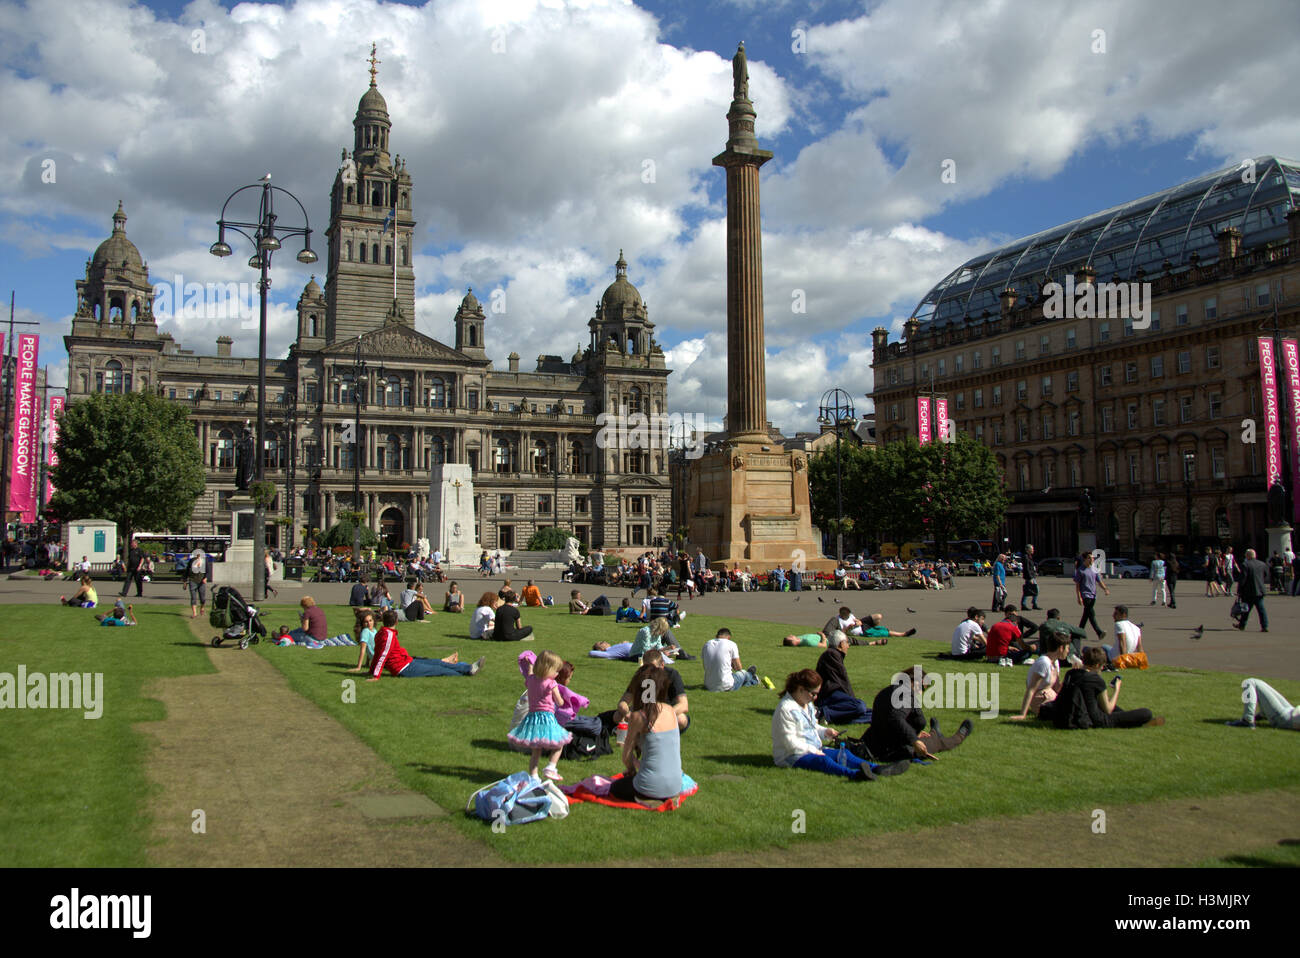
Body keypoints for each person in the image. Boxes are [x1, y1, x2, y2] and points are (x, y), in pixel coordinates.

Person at [771, 669, 908, 781]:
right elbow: (790, 743)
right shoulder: (785, 709)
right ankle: (854, 775)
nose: (815, 698)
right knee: (824, 762)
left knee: (844, 754)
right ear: (800, 689)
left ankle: (876, 768)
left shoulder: (807, 704)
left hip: (812, 748)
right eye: (813, 694)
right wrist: (815, 751)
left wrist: (825, 732)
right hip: (791, 756)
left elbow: (811, 727)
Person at [863, 667, 973, 761]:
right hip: (891, 748)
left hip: (878, 741)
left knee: (929, 738)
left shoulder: (888, 690)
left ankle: (935, 732)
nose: (920, 692)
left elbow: (890, 720)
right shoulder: (905, 694)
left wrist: (913, 733)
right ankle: (959, 737)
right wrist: (914, 740)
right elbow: (895, 718)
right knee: (937, 743)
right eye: (921, 688)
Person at [609, 669, 684, 806]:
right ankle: (663, 797)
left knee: (615, 787)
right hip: (675, 785)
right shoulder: (670, 711)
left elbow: (626, 756)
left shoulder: (638, 717)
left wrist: (631, 769)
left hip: (648, 785)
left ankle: (647, 798)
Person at [1039, 647, 1162, 728]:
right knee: (1146, 713)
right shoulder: (1095, 679)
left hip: (1073, 712)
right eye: (1102, 666)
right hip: (1096, 719)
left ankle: (1129, 718)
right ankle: (1136, 721)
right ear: (1097, 665)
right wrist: (1117, 690)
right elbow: (1108, 709)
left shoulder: (1071, 673)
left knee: (1119, 711)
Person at [507, 649, 573, 780]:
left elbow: (530, 673)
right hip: (547, 717)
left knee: (536, 751)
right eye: (556, 670)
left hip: (532, 718)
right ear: (549, 669)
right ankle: (551, 767)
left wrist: (530, 664)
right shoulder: (551, 683)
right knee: (559, 744)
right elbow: (559, 702)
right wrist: (564, 700)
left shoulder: (531, 680)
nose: (557, 673)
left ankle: (533, 776)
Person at [368, 609, 483, 681]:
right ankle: (466, 672)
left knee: (438, 663)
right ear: (396, 621)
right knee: (438, 670)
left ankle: (468, 667)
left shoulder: (382, 633)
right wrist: (375, 676)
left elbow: (377, 654)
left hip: (407, 661)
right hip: (403, 668)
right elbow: (382, 655)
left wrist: (371, 671)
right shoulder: (388, 635)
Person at [612, 648, 690, 733]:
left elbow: (683, 705)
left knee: (681, 720)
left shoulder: (672, 675)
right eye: (646, 668)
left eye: (653, 668)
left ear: (662, 665)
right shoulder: (640, 675)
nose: (649, 671)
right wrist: (627, 714)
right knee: (617, 716)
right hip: (644, 711)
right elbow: (623, 702)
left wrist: (662, 716)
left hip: (666, 711)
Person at [1009, 632, 1069, 719]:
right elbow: (1031, 689)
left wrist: (1073, 674)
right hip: (1041, 699)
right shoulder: (1044, 662)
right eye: (1067, 648)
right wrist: (1022, 714)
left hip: (1050, 697)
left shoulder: (1055, 662)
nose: (1068, 651)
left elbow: (1057, 689)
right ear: (1061, 648)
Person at [814, 633, 871, 724]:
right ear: (841, 644)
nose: (848, 646)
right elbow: (842, 679)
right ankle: (822, 712)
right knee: (859, 706)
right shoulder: (831, 654)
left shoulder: (834, 654)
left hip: (835, 696)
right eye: (847, 643)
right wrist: (852, 699)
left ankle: (830, 717)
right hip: (829, 696)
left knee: (873, 714)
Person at [1227, 678, 1300, 729]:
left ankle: (1247, 720)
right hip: (1291, 711)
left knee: (1249, 682)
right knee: (1259, 683)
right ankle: (1264, 714)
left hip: (1285, 718)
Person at [1074, 551, 1110, 640]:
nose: (1092, 559)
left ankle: (1078, 633)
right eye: (1090, 558)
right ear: (1085, 559)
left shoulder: (1094, 569)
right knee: (1091, 614)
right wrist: (1079, 597)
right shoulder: (1080, 570)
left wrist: (1105, 589)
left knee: (1086, 615)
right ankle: (1099, 632)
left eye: (1093, 558)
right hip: (1085, 595)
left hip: (1093, 595)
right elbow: (1077, 586)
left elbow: (1099, 581)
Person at [1235, 548, 1269, 632]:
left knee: (1246, 609)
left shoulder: (1245, 564)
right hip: (1259, 591)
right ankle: (1264, 626)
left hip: (1248, 591)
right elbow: (1265, 575)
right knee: (1261, 610)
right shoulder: (1262, 564)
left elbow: (1243, 579)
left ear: (1248, 556)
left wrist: (1239, 590)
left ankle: (1242, 625)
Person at [186, 549, 210, 619]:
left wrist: (205, 578)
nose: (198, 556)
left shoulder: (204, 561)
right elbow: (187, 570)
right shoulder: (191, 561)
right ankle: (194, 613)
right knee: (193, 597)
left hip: (201, 581)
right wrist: (185, 580)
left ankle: (202, 607)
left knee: (202, 598)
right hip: (192, 580)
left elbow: (208, 571)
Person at [1020, 545, 1040, 610]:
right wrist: (1030, 577)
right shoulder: (1025, 557)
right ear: (1028, 550)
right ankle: (1024, 604)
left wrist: (1034, 573)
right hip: (1029, 577)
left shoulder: (1029, 556)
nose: (1033, 550)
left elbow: (1031, 567)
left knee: (1033, 590)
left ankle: (1033, 603)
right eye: (1032, 549)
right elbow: (1027, 568)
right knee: (1029, 590)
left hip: (1032, 576)